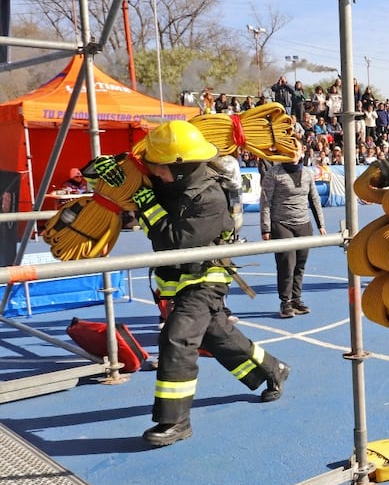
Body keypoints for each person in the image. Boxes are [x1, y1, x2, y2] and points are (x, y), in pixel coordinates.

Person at [89, 120, 290, 447]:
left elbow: (175, 241)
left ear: (180, 168)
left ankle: (175, 421)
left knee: (178, 337)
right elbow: (129, 184)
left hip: (204, 277)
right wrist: (101, 174)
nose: (154, 172)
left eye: (159, 167)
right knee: (218, 335)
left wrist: (145, 201)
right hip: (177, 277)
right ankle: (272, 370)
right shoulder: (165, 180)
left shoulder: (208, 197)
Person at [259, 140, 327, 319]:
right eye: (288, 149)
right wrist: (266, 228)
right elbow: (266, 201)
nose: (292, 152)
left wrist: (321, 224)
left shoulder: (306, 173)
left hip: (303, 223)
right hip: (281, 223)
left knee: (300, 264)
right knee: (286, 263)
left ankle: (297, 299)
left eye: (295, 148)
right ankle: (285, 302)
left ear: (302, 151)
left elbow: (314, 199)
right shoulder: (274, 173)